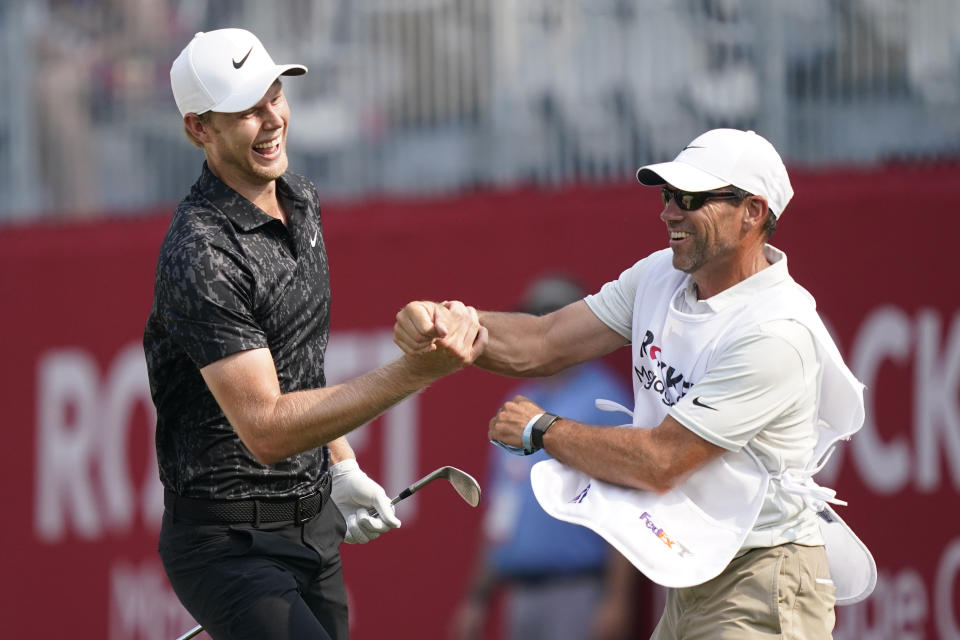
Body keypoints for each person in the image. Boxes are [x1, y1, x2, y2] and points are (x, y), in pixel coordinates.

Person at [394, 128, 873, 639]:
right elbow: (543, 340)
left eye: (689, 198)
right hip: (696, 575)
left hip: (764, 573)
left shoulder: (776, 331)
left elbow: (660, 461)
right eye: (668, 195)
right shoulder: (658, 277)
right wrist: (447, 321)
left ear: (753, 212)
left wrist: (541, 429)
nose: (668, 212)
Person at [143, 29, 485, 640]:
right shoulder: (201, 252)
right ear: (199, 128)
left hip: (311, 524)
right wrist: (416, 373)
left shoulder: (301, 200)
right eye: (248, 109)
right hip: (227, 544)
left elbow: (297, 367)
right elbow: (268, 430)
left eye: (274, 94)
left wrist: (342, 464)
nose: (273, 117)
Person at [451, 275, 638, 640]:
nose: (541, 330)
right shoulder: (520, 399)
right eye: (534, 318)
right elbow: (502, 511)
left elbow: (627, 508)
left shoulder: (605, 400)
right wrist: (476, 598)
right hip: (520, 592)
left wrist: (616, 601)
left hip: (577, 590)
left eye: (550, 318)